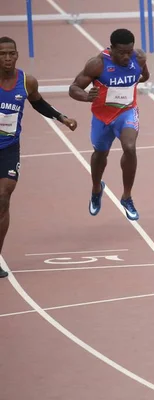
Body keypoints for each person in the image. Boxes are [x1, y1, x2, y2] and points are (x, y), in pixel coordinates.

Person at [0, 36, 77, 279]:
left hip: (9, 146)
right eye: (2, 54)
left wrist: (61, 117)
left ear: (17, 55)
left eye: (12, 53)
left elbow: (39, 103)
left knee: (4, 194)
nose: (8, 58)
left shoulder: (27, 81)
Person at [69, 28, 149, 221]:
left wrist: (132, 84)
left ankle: (126, 197)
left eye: (128, 52)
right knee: (100, 154)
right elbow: (73, 88)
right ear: (111, 48)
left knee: (130, 148)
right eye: (121, 52)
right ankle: (97, 188)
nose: (126, 56)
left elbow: (144, 76)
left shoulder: (138, 58)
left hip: (126, 112)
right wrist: (87, 96)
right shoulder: (97, 64)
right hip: (102, 117)